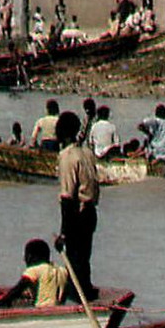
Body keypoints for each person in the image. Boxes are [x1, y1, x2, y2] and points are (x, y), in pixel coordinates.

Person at [55, 110, 99, 298]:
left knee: (74, 262)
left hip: (77, 213)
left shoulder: (67, 156)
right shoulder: (87, 153)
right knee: (83, 261)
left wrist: (63, 233)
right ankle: (85, 294)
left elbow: (68, 198)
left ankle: (78, 301)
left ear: (62, 132)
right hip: (90, 213)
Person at [0, 239, 70, 309]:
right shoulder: (62, 271)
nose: (24, 259)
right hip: (58, 309)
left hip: (43, 310)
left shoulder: (34, 270)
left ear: (30, 257)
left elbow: (17, 290)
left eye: (26, 256)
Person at [133, 103, 165, 173]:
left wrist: (147, 132)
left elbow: (141, 124)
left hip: (159, 153)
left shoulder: (157, 122)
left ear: (156, 114)